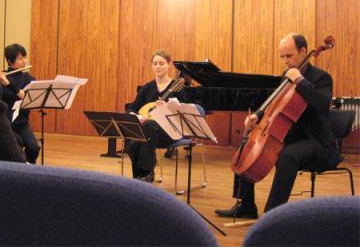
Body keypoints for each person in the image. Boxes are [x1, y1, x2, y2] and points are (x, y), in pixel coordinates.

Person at [215, 33, 341, 218]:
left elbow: (322, 104)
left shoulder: (321, 78)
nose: (285, 61)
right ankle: (246, 205)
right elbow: (274, 103)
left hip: (316, 141)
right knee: (247, 144)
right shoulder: (286, 76)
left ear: (303, 51)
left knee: (287, 156)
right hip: (290, 136)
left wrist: (300, 81)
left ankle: (273, 215)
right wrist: (257, 116)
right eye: (282, 56)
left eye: (289, 56)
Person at [126, 50, 186, 182]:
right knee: (132, 145)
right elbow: (133, 107)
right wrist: (133, 115)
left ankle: (147, 173)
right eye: (155, 64)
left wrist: (168, 108)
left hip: (169, 132)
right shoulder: (148, 87)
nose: (158, 67)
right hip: (149, 133)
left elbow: (183, 114)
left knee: (148, 126)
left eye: (161, 63)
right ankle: (139, 178)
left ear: (169, 65)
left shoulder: (177, 87)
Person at [0, 44, 40, 164]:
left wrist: (9, 85)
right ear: (9, 61)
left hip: (21, 121)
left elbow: (26, 97)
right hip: (5, 121)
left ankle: (29, 169)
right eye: (20, 58)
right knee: (17, 146)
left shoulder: (29, 79)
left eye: (24, 57)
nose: (24, 61)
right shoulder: (1, 77)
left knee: (33, 148)